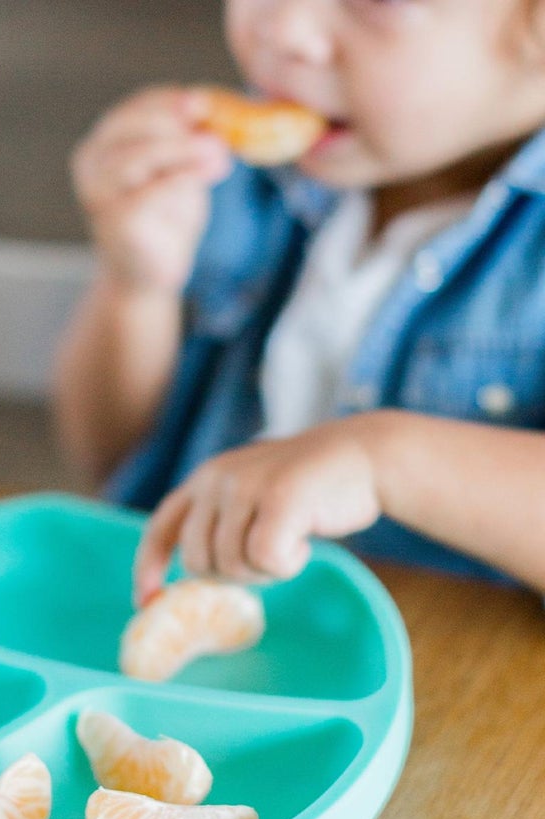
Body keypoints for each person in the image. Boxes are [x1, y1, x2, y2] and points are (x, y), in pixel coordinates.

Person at [54, 0, 545, 607]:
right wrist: (136, 287)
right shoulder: (236, 176)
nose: (282, 26)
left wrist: (383, 459)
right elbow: (112, 458)